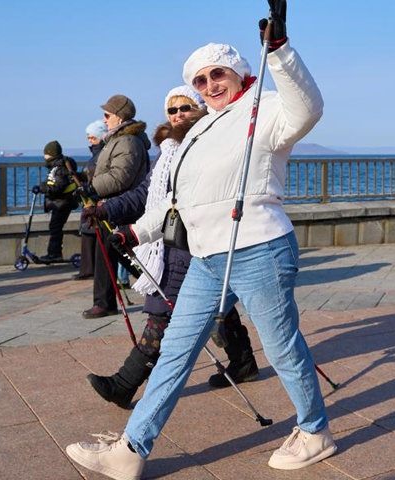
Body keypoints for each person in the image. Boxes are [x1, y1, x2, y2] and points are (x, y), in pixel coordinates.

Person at [65, 1, 337, 477]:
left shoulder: (265, 109)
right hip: (206, 257)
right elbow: (179, 201)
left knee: (281, 346)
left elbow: (308, 107)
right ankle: (130, 452)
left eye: (218, 74)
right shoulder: (199, 129)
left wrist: (280, 49)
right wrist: (136, 231)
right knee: (175, 348)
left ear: (238, 72)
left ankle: (315, 432)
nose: (210, 85)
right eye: (201, 80)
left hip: (259, 248)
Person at [81, 85, 260, 410]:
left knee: (163, 313)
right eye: (172, 110)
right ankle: (244, 361)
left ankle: (124, 384)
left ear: (200, 109)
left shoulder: (211, 143)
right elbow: (147, 193)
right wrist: (106, 210)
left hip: (199, 240)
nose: (178, 115)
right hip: (171, 240)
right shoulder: (168, 150)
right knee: (214, 305)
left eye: (185, 108)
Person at [80, 95, 151, 319]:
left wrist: (92, 188)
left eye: (107, 115)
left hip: (120, 206)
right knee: (112, 254)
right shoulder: (118, 139)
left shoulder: (127, 141)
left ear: (120, 117)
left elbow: (120, 177)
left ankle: (107, 302)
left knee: (121, 254)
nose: (104, 119)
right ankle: (105, 301)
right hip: (112, 205)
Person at [32, 140, 79, 263]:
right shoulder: (56, 166)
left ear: (51, 154)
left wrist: (43, 188)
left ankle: (54, 253)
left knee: (55, 227)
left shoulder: (60, 168)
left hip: (62, 202)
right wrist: (43, 185)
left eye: (46, 154)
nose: (44, 156)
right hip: (60, 202)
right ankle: (54, 252)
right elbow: (53, 182)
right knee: (55, 227)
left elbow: (58, 187)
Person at [73, 121, 108, 280]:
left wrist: (89, 189)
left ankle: (90, 270)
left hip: (95, 199)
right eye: (88, 137)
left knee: (92, 232)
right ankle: (88, 269)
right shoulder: (96, 154)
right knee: (88, 232)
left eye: (93, 137)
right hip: (89, 198)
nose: (90, 141)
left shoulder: (102, 154)